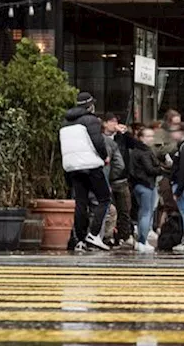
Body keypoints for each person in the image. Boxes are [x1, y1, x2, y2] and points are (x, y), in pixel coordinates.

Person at [59, 92, 110, 252]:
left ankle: (80, 240)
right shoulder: (92, 120)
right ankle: (94, 235)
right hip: (90, 165)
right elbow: (98, 142)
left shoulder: (65, 123)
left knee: (81, 202)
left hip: (72, 167)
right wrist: (105, 157)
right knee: (104, 199)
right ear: (90, 106)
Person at [101, 114, 133, 248]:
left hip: (121, 179)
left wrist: (125, 134)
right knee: (108, 210)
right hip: (105, 179)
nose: (115, 124)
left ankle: (124, 236)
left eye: (116, 121)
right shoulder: (100, 138)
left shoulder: (121, 139)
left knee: (124, 209)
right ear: (104, 123)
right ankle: (107, 237)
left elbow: (134, 144)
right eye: (111, 122)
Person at [129, 126, 163, 253]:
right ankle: (143, 241)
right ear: (142, 138)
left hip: (138, 185)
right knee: (146, 213)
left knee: (143, 212)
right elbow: (150, 169)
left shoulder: (136, 151)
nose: (151, 139)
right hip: (146, 185)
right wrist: (161, 169)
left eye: (152, 136)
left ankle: (142, 240)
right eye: (148, 136)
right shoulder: (144, 152)